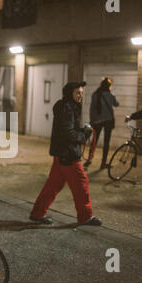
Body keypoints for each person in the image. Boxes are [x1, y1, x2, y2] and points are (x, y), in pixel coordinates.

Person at [29, 81, 102, 226]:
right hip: (68, 155)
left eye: (81, 92)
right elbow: (67, 132)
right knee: (81, 184)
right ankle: (85, 216)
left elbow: (68, 130)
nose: (80, 95)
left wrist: (81, 131)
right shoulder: (67, 108)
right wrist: (84, 136)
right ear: (70, 93)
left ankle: (37, 213)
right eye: (77, 93)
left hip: (61, 153)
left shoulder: (68, 106)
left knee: (53, 185)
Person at [85, 77, 119, 169]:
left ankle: (89, 159)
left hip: (97, 121)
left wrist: (92, 120)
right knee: (106, 142)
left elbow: (92, 109)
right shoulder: (111, 95)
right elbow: (116, 104)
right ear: (109, 86)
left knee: (94, 140)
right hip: (108, 121)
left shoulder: (95, 95)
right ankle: (103, 163)